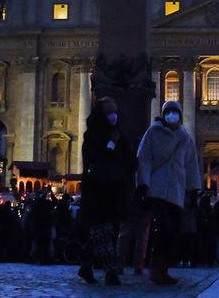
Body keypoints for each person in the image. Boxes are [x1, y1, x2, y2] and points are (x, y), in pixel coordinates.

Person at [135, 99, 201, 286]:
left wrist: (193, 188)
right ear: (163, 114)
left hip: (176, 191)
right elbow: (144, 159)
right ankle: (156, 270)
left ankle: (163, 268)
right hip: (156, 189)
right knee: (165, 229)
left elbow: (191, 165)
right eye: (169, 112)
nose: (172, 115)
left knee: (173, 232)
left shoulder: (185, 137)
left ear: (180, 114)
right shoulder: (153, 133)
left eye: (175, 112)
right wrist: (142, 184)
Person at [79, 97, 133, 285]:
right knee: (103, 230)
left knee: (106, 231)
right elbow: (92, 159)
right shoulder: (91, 135)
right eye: (109, 112)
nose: (113, 116)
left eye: (115, 112)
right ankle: (111, 270)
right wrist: (111, 144)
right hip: (97, 189)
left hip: (115, 188)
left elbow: (128, 159)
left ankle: (86, 265)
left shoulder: (120, 135)